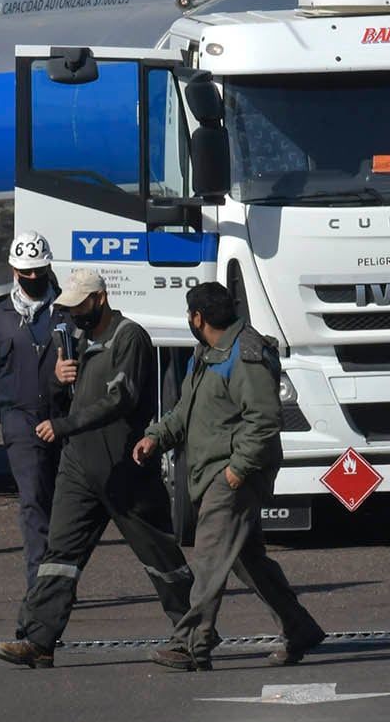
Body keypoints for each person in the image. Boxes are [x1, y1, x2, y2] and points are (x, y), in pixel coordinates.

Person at [0, 269, 194, 668]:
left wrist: (63, 425)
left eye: (78, 305)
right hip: (79, 469)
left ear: (99, 299)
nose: (71, 313)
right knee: (59, 555)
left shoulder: (129, 337)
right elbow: (64, 399)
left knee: (161, 557)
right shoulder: (76, 341)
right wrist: (55, 381)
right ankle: (37, 640)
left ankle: (193, 635)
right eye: (67, 307)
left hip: (125, 470)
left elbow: (121, 399)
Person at [133, 282, 326, 672]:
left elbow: (265, 419)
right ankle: (298, 626)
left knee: (208, 558)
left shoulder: (246, 354)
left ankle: (191, 643)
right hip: (214, 472)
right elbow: (186, 410)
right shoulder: (207, 353)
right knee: (247, 559)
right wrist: (156, 437)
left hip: (233, 474)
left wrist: (237, 470)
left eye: (190, 315)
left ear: (198, 318)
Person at [0, 231, 68, 587]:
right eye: (27, 272)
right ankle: (40, 584)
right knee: (33, 502)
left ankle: (61, 578)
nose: (34, 279)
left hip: (64, 421)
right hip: (19, 420)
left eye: (40, 271)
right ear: (14, 271)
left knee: (63, 506)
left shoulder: (67, 312)